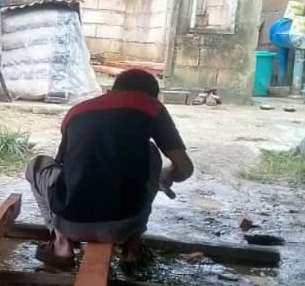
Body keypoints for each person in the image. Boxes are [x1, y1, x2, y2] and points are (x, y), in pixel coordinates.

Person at [26, 68, 194, 265]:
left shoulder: (76, 111)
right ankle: (133, 243)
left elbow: (64, 168)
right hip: (124, 226)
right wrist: (165, 176)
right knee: (150, 153)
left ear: (112, 90)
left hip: (70, 222)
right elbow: (185, 169)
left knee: (37, 164)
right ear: (152, 96)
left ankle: (61, 242)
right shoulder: (151, 106)